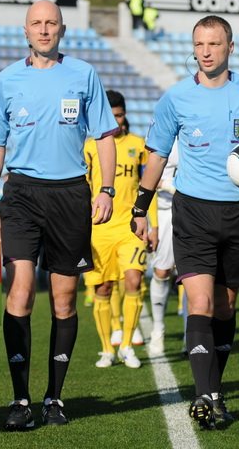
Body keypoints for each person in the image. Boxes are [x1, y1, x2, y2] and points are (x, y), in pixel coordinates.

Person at [130, 15, 239, 429]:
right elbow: (157, 156)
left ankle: (214, 390)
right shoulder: (176, 98)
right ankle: (205, 395)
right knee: (198, 303)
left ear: (230, 47)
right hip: (192, 213)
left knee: (225, 305)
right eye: (199, 44)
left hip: (238, 213)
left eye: (214, 44)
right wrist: (140, 207)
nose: (205, 51)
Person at [0, 0, 118, 430]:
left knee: (63, 299)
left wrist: (107, 189)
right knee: (20, 291)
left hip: (70, 194)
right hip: (21, 193)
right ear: (25, 31)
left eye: (51, 23)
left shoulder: (83, 74)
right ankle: (20, 400)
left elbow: (105, 136)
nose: (43, 29)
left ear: (62, 29)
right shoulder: (7, 80)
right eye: (36, 23)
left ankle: (54, 398)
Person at [84, 90, 150, 369]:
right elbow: (83, 186)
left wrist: (152, 223)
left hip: (130, 227)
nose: (117, 121)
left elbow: (148, 186)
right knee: (103, 288)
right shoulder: (91, 146)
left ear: (125, 115)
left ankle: (126, 346)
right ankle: (106, 349)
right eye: (111, 116)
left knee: (133, 280)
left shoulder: (138, 145)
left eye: (120, 115)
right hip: (98, 228)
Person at [148, 139, 179, 357]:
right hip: (163, 210)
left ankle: (190, 334)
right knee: (161, 272)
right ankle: (158, 329)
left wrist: (168, 183)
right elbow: (148, 177)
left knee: (193, 275)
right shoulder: (159, 135)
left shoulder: (197, 131)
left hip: (192, 208)